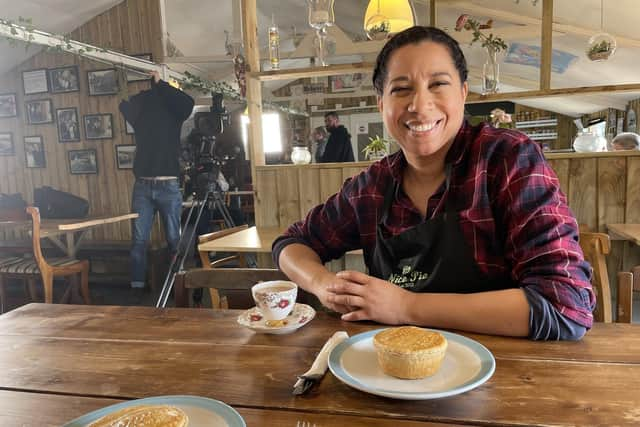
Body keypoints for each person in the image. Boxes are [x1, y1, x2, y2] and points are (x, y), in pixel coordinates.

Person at [273, 26, 595, 340]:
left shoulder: (506, 159)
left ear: (463, 93)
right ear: (381, 104)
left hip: (506, 376)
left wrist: (407, 306)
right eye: (401, 89)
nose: (419, 105)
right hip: (393, 374)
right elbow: (291, 244)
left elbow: (565, 305)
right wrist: (322, 284)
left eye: (438, 84)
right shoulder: (372, 187)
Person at [119, 71, 195, 289]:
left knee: (172, 240)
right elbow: (125, 105)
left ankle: (177, 284)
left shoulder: (173, 110)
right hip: (146, 184)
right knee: (141, 241)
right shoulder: (147, 107)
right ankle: (138, 286)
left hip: (164, 183)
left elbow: (187, 103)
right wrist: (158, 86)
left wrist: (159, 84)